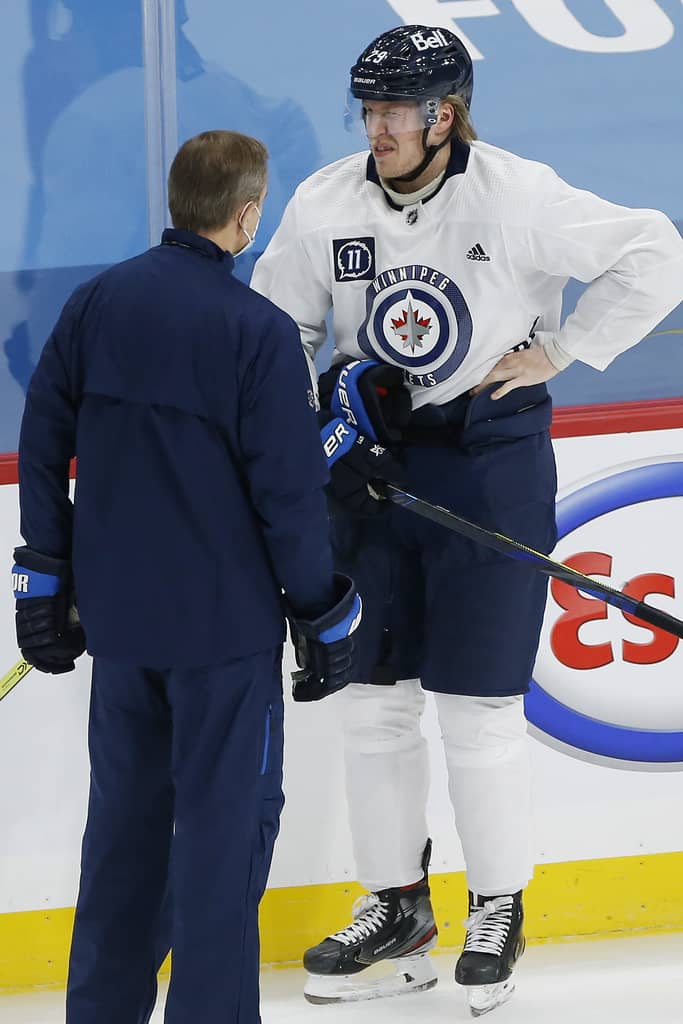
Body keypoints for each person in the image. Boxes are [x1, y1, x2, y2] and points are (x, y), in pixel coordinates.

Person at [251, 24, 683, 1017]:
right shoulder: (325, 202)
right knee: (373, 703)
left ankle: (497, 908)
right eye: (367, 110)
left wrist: (562, 350)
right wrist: (317, 407)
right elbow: (280, 330)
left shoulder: (514, 194)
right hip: (366, 474)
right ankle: (396, 907)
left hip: (488, 465)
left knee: (477, 708)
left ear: (443, 115)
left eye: (394, 112)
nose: (376, 129)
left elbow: (654, 249)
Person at [11, 129, 361, 1024]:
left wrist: (43, 575)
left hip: (122, 629)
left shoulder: (96, 302)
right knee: (221, 847)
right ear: (248, 215)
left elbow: (41, 442)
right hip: (223, 638)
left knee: (123, 840)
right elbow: (287, 497)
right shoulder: (257, 332)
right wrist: (323, 614)